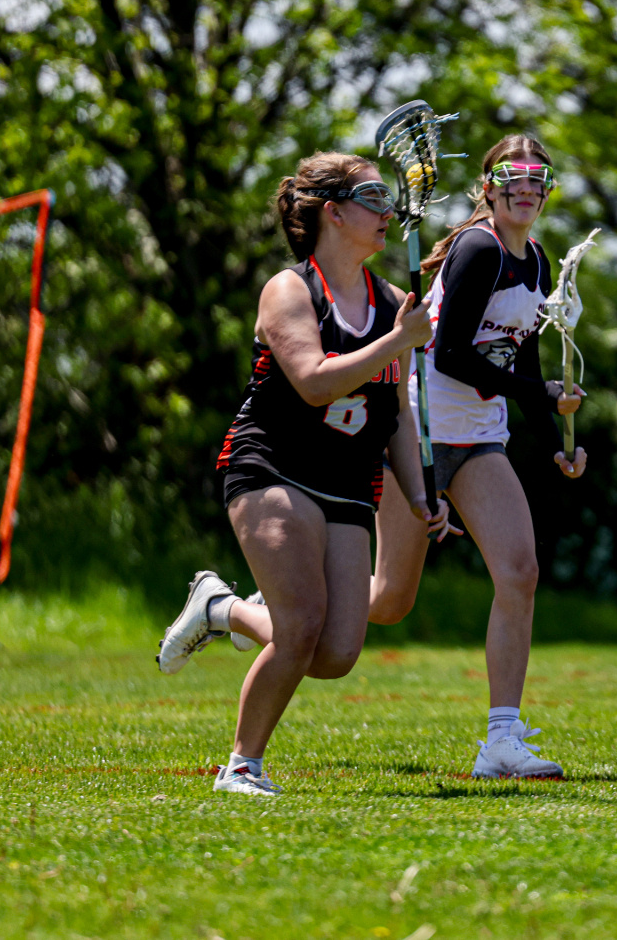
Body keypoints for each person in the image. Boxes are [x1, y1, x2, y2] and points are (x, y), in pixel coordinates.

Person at [155, 151, 451, 795]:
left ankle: (223, 609)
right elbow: (314, 382)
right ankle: (242, 767)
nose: (388, 211)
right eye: (374, 199)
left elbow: (397, 414)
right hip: (273, 467)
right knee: (299, 627)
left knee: (336, 653)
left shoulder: (391, 302)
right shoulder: (289, 290)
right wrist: (399, 340)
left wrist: (419, 494)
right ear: (333, 213)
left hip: (349, 482)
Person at [367, 134, 586, 779]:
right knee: (387, 602)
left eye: (538, 176)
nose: (526, 186)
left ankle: (501, 742)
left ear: (548, 190)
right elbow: (452, 355)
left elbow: (524, 361)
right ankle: (238, 611)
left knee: (520, 572)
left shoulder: (536, 261)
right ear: (489, 187)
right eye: (512, 175)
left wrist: (556, 437)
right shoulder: (478, 249)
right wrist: (537, 392)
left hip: (482, 438)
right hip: (420, 433)